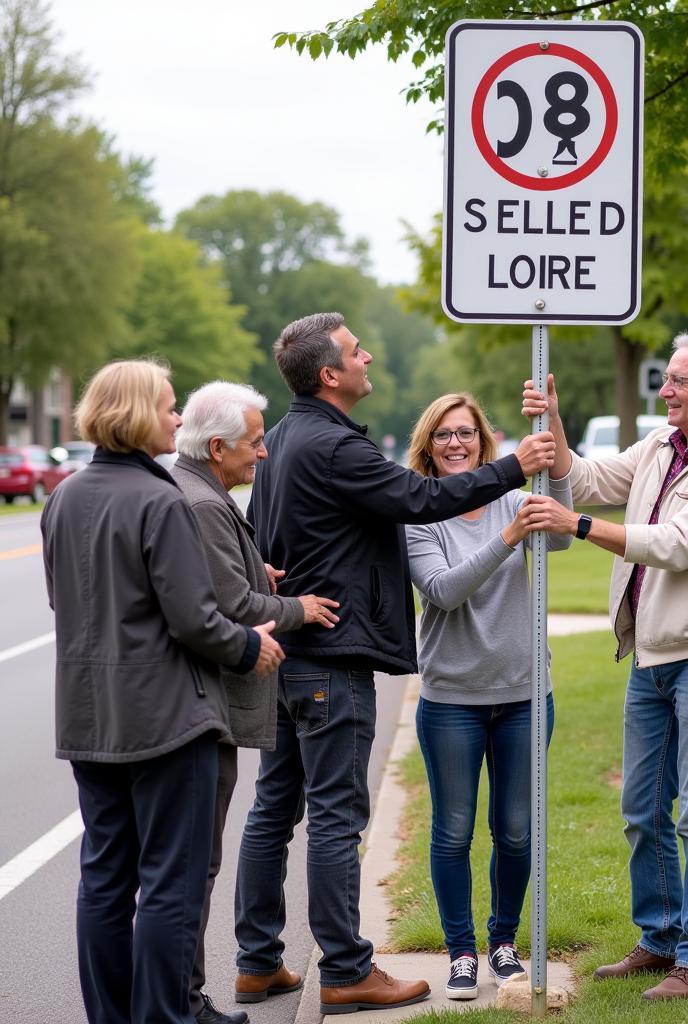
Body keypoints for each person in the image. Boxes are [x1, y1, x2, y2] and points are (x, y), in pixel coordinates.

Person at [234, 312, 556, 1016]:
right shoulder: (333, 445)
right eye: (356, 350)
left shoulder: (286, 438)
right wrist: (513, 466)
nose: (367, 354)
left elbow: (256, 536)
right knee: (334, 819)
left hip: (289, 654)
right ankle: (347, 970)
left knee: (271, 812)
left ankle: (257, 962)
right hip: (331, 659)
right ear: (330, 375)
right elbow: (424, 499)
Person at [520, 331, 688, 1002]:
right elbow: (590, 478)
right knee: (642, 808)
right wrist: (554, 417)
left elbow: (676, 545)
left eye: (677, 381)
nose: (664, 390)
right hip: (650, 657)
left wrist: (575, 527)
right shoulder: (660, 445)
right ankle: (659, 938)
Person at [40, 359, 284, 1024]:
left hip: (89, 720)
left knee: (105, 880)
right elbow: (195, 618)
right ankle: (166, 1017)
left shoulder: (65, 496)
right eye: (169, 407)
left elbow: (66, 600)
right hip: (169, 720)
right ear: (138, 414)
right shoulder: (161, 500)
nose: (177, 419)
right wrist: (249, 645)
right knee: (172, 886)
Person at [171, 381, 341, 1024]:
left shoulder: (201, 492)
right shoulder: (205, 503)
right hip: (203, 705)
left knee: (247, 825)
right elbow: (230, 608)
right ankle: (186, 1003)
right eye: (254, 442)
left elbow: (223, 580)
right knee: (188, 872)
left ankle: (232, 974)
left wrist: (250, 567)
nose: (264, 454)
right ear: (217, 448)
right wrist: (298, 607)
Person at [405, 393, 573, 1000]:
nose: (456, 444)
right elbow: (443, 591)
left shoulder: (514, 494)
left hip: (526, 694)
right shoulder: (418, 510)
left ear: (483, 441)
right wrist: (506, 536)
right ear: (428, 445)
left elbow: (557, 541)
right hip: (452, 697)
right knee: (453, 831)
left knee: (517, 831)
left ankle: (502, 942)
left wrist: (554, 457)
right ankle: (460, 954)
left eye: (466, 434)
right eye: (444, 435)